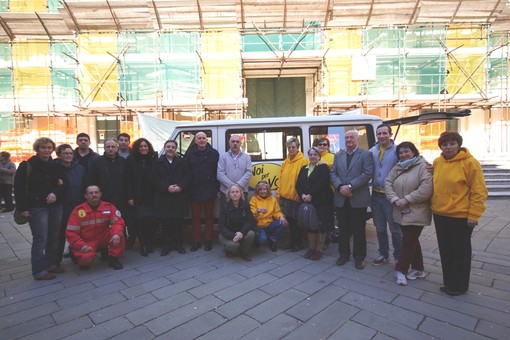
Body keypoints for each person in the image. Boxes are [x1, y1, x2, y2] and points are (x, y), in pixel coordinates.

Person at [431, 132, 488, 296]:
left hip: (460, 216)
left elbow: (479, 192)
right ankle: (449, 282)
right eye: (444, 144)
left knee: (460, 252)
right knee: (446, 250)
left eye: (452, 144)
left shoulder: (470, 163)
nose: (448, 147)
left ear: (459, 145)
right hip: (440, 214)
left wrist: (474, 215)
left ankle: (460, 285)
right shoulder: (437, 162)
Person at [14, 137, 67, 280]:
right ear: (37, 149)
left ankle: (51, 264)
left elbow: (64, 184)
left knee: (54, 236)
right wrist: (23, 208)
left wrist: (56, 193)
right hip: (37, 207)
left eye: (49, 148)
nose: (47, 150)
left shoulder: (56, 165)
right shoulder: (27, 165)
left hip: (56, 205)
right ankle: (39, 270)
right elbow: (19, 187)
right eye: (43, 147)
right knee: (40, 238)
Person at [385, 142, 433, 286]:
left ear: (414, 152)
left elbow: (426, 188)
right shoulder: (398, 166)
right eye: (401, 153)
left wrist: (406, 199)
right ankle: (418, 268)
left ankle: (401, 270)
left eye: (407, 152)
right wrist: (394, 199)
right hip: (400, 209)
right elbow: (388, 183)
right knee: (412, 240)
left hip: (416, 210)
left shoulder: (423, 166)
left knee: (408, 241)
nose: (404, 155)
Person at [330, 130, 374, 270]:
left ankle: (359, 257)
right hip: (341, 198)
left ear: (357, 139)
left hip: (358, 197)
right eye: (347, 137)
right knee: (343, 229)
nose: (349, 140)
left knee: (358, 230)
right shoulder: (338, 155)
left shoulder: (366, 155)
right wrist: (340, 187)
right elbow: (333, 173)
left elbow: (367, 173)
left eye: (351, 137)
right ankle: (343, 255)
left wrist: (350, 186)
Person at [66, 185, 125, 270]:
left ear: (100, 194)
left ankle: (113, 259)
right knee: (86, 261)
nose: (94, 195)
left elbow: (118, 222)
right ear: (86, 196)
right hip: (87, 241)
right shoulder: (78, 211)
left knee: (119, 234)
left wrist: (116, 234)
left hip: (103, 237)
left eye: (96, 192)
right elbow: (71, 232)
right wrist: (81, 245)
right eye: (91, 193)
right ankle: (74, 253)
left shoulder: (108, 207)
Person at [369, 124, 402, 265]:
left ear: (390, 134)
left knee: (395, 229)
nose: (382, 136)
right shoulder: (372, 151)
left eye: (384, 133)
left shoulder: (397, 151)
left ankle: (398, 257)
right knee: (380, 228)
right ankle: (383, 254)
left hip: (391, 196)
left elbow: (412, 161)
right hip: (376, 195)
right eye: (379, 134)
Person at [152, 140, 191, 256]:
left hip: (179, 196)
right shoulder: (157, 162)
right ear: (164, 148)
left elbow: (188, 176)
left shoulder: (183, 162)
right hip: (164, 197)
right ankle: (166, 246)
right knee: (165, 223)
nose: (170, 149)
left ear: (176, 149)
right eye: (168, 147)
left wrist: (180, 186)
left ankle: (178, 245)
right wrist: (166, 187)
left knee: (178, 222)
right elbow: (154, 178)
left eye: (173, 147)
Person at [88, 138, 130, 244]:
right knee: (104, 226)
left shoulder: (123, 162)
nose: (110, 149)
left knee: (120, 223)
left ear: (117, 148)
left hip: (121, 199)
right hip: (104, 200)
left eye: (113, 147)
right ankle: (105, 251)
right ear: (104, 148)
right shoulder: (97, 162)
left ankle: (120, 248)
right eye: (108, 147)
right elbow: (92, 180)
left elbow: (128, 180)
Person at [296, 147, 334, 261]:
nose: (312, 156)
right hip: (308, 201)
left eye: (315, 154)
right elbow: (298, 184)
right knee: (311, 226)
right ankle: (311, 248)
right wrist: (302, 195)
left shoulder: (323, 167)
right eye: (311, 154)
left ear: (319, 156)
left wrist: (310, 194)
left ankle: (319, 250)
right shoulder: (304, 168)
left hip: (322, 201)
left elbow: (322, 182)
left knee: (322, 226)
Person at [185, 132, 220, 252]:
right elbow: (187, 173)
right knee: (195, 218)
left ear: (207, 140)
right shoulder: (189, 154)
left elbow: (218, 172)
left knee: (209, 217)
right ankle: (196, 241)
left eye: (203, 138)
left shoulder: (214, 153)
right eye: (199, 138)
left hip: (209, 189)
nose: (201, 140)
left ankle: (208, 240)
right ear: (195, 141)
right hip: (194, 189)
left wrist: (217, 189)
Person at [55, 144, 86, 266]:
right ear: (59, 155)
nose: (68, 155)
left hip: (78, 204)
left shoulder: (79, 168)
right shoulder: (54, 168)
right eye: (65, 153)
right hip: (61, 206)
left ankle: (77, 255)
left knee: (79, 232)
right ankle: (56, 260)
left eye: (70, 153)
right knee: (60, 233)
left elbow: (84, 184)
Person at [127, 138, 157, 256]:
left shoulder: (154, 160)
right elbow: (128, 180)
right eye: (141, 146)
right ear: (137, 148)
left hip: (152, 195)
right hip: (137, 196)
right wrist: (130, 196)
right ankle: (143, 245)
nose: (143, 148)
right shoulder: (131, 160)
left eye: (145, 146)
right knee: (141, 222)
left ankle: (149, 243)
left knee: (151, 222)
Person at [277, 137, 308, 252]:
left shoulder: (303, 161)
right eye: (289, 147)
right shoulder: (285, 162)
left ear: (297, 148)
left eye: (293, 147)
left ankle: (298, 243)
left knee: (296, 222)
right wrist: (279, 193)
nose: (290, 149)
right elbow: (281, 179)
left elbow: (304, 180)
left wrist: (300, 194)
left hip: (296, 197)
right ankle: (292, 242)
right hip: (285, 197)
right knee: (290, 222)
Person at [218, 184, 256, 261]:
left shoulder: (245, 205)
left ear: (240, 193)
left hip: (241, 232)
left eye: (237, 192)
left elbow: (250, 221)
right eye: (232, 192)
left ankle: (244, 252)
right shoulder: (225, 207)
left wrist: (241, 232)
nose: (235, 194)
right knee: (234, 246)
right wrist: (232, 236)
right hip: (228, 233)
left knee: (251, 234)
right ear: (229, 194)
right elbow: (221, 226)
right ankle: (230, 250)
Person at [250, 180, 287, 252]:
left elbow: (277, 212)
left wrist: (281, 217)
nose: (262, 191)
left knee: (283, 223)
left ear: (267, 190)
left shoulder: (272, 199)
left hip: (269, 224)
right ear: (257, 190)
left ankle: (273, 239)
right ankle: (257, 240)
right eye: (260, 189)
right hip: (258, 226)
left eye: (264, 189)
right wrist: (257, 211)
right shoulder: (253, 199)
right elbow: (251, 214)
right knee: (262, 240)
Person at [217, 134, 252, 204]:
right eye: (233, 141)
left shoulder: (247, 157)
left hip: (242, 191)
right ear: (229, 144)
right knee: (226, 212)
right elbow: (220, 173)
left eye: (237, 142)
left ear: (240, 144)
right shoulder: (223, 157)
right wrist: (232, 186)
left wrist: (238, 186)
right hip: (226, 191)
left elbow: (249, 172)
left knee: (242, 213)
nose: (235, 143)